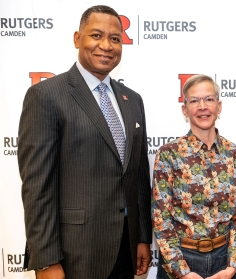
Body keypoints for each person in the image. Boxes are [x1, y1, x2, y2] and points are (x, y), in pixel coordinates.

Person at [18, 5, 152, 279]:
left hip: (125, 250)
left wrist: (142, 238)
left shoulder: (133, 100)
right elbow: (37, 187)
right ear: (77, 39)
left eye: (115, 39)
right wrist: (46, 262)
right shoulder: (46, 96)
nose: (106, 45)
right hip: (73, 255)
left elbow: (138, 175)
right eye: (96, 35)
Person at [151, 75, 236, 279]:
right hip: (181, 259)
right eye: (194, 101)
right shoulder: (169, 154)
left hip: (225, 261)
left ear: (219, 106)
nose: (202, 106)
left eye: (209, 99)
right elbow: (161, 217)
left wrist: (232, 267)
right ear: (184, 110)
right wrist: (182, 271)